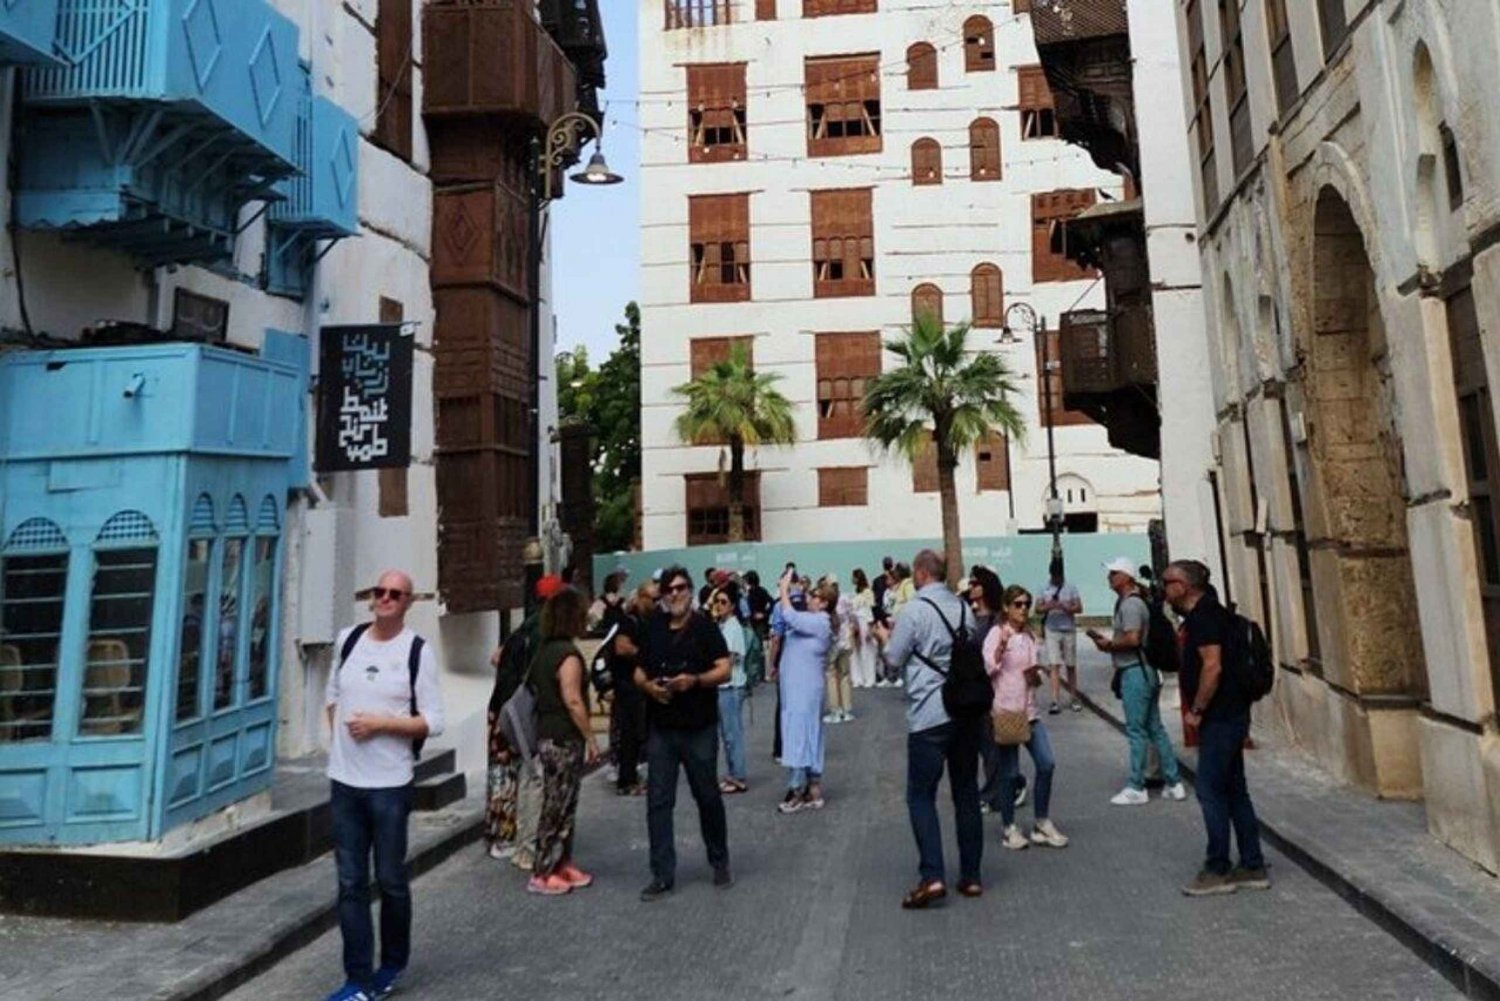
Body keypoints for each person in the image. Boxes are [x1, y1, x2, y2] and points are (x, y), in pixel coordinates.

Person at [323, 571, 445, 1001]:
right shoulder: (348, 640)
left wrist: (381, 725)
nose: (386, 598)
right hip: (345, 784)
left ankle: (391, 964)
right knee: (350, 882)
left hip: (391, 785)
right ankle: (357, 978)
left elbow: (434, 720)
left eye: (395, 594)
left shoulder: (416, 652)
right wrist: (338, 742)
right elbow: (333, 692)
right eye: (379, 591)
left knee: (390, 878)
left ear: (408, 602)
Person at [874, 549, 984, 908]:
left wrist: (881, 637)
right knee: (966, 791)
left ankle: (932, 875)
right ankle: (971, 877)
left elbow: (893, 660)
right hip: (965, 712)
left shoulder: (915, 610)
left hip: (929, 714)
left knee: (920, 795)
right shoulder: (964, 608)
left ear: (921, 574)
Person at [1165, 560, 1270, 896]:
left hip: (1220, 717)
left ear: (1183, 586)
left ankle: (1217, 867)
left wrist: (1196, 709)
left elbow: (1212, 667)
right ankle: (1252, 864)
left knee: (1210, 791)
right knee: (1235, 789)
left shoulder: (1204, 618)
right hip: (1233, 713)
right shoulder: (1217, 614)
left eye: (1168, 582)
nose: (1164, 589)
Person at [634, 565, 733, 901]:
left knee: (707, 795)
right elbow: (637, 672)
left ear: (690, 590)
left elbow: (724, 668)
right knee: (658, 802)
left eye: (679, 588)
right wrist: (650, 687)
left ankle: (719, 858)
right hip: (662, 728)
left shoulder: (705, 628)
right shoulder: (652, 628)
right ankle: (662, 874)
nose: (674, 594)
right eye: (668, 590)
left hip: (699, 726)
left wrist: (695, 681)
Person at [1088, 558, 1187, 806]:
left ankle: (1136, 785)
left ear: (1126, 577)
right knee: (1155, 728)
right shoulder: (1134, 602)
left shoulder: (1130, 605)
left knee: (1137, 730)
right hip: (1145, 671)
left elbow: (1133, 639)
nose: (1109, 577)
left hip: (1135, 670)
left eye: (1114, 573)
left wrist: (1109, 645)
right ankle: (1173, 782)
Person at [483, 574, 564, 869]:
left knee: (504, 771)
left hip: (501, 707)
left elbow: (496, 657)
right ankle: (507, 838)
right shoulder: (543, 631)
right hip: (519, 710)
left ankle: (503, 836)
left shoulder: (523, 627)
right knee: (519, 773)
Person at [526, 588, 602, 895]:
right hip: (562, 736)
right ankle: (544, 869)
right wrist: (590, 736)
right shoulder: (567, 656)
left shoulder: (544, 651)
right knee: (558, 804)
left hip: (548, 733)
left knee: (563, 802)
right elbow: (572, 699)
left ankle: (561, 861)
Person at [984, 585, 1069, 852]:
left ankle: (1041, 821)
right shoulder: (997, 633)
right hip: (1007, 710)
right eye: (1018, 604)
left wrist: (1035, 675)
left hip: (1030, 711)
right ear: (1006, 607)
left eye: (1026, 604)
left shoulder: (1030, 635)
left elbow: (1030, 672)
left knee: (1047, 763)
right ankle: (1009, 826)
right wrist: (1002, 645)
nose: (1023, 609)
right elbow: (989, 667)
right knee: (1009, 773)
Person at [969, 568, 1026, 814]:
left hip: (993, 689)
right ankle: (1010, 784)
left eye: (975, 583)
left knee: (993, 744)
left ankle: (995, 792)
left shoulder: (995, 621)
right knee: (984, 744)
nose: (971, 587)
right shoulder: (971, 616)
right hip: (974, 687)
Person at [777, 573, 835, 812]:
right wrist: (796, 590)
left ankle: (797, 789)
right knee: (809, 734)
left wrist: (783, 588)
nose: (809, 598)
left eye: (815, 595)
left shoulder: (820, 621)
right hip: (800, 688)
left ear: (824, 603)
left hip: (803, 690)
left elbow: (788, 614)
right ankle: (813, 788)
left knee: (798, 734)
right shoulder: (813, 621)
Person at [606, 585, 656, 795]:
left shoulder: (647, 621)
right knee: (630, 734)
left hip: (638, 686)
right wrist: (644, 654)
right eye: (653, 599)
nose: (656, 604)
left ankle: (632, 775)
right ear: (640, 598)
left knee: (638, 733)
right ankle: (626, 780)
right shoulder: (628, 621)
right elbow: (621, 646)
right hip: (627, 686)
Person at [709, 586, 750, 794]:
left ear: (733, 606)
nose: (719, 605)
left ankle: (738, 775)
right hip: (722, 686)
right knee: (726, 733)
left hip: (731, 685)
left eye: (724, 602)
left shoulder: (733, 627)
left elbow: (733, 656)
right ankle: (734, 772)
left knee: (732, 733)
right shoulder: (722, 626)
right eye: (717, 601)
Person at [1036, 559, 1083, 714]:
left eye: (1060, 576)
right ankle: (1055, 700)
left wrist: (1066, 607)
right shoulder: (1044, 588)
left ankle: (1073, 697)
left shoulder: (1071, 587)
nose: (1058, 579)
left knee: (1070, 664)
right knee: (1054, 664)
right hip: (1052, 629)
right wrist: (1049, 606)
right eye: (1055, 577)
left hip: (1068, 628)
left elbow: (1079, 607)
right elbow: (1038, 608)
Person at [821, 578, 856, 724]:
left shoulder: (828, 603)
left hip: (834, 644)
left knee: (831, 676)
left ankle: (835, 709)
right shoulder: (846, 599)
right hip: (846, 640)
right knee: (845, 675)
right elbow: (852, 617)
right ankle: (846, 709)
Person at [849, 569, 880, 689]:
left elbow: (872, 609)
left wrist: (871, 627)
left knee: (867, 651)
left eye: (853, 577)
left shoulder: (868, 592)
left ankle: (869, 678)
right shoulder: (856, 593)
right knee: (856, 651)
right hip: (856, 622)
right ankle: (858, 678)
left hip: (865, 622)